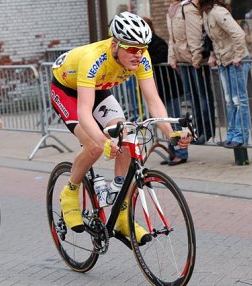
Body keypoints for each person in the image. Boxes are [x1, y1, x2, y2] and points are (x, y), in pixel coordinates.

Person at [50, 12, 190, 244]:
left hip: (99, 89)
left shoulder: (142, 58)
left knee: (126, 135)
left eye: (142, 48)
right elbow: (84, 112)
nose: (138, 54)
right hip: (68, 91)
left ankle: (122, 212)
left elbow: (153, 100)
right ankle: (70, 191)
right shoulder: (93, 58)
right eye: (132, 48)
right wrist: (103, 141)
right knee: (94, 146)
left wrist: (170, 133)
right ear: (115, 45)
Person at [198, 0, 251, 148]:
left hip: (235, 61)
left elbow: (239, 34)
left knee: (238, 100)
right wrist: (213, 56)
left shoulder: (218, 12)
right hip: (224, 61)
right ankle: (231, 135)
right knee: (229, 101)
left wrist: (239, 56)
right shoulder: (206, 14)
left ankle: (241, 137)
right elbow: (214, 41)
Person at [167, 0, 216, 147]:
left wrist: (196, 58)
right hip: (184, 61)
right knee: (192, 98)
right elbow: (172, 38)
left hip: (194, 61)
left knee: (202, 97)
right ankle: (198, 131)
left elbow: (194, 34)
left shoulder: (188, 8)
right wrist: (172, 57)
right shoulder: (173, 9)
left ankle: (207, 131)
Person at [142, 16, 189, 166]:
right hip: (160, 89)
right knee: (164, 121)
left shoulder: (156, 42)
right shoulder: (145, 45)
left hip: (170, 88)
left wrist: (145, 59)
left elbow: (162, 56)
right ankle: (172, 151)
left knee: (173, 119)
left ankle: (181, 153)